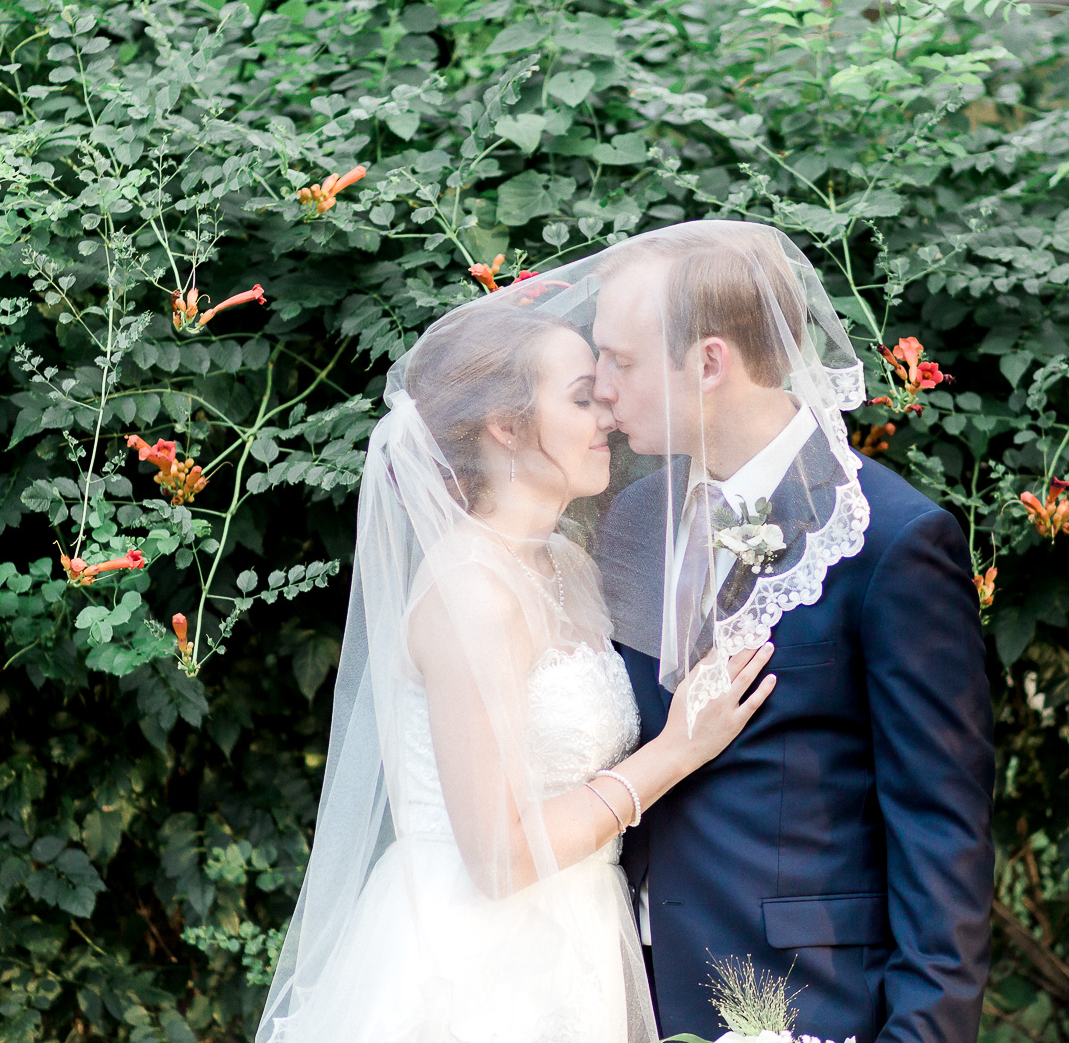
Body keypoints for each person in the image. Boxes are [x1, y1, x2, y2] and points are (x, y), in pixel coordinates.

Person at [256, 299, 776, 1043]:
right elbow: (496, 857)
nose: (608, 417)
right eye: (581, 399)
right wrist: (677, 751)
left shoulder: (566, 562)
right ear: (505, 425)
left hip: (582, 930)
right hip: (474, 960)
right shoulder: (472, 592)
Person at [591, 220, 996, 1043]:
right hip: (617, 989)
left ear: (709, 363)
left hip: (806, 1003)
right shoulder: (632, 520)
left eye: (621, 361)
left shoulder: (889, 541)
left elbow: (941, 830)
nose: (600, 387)